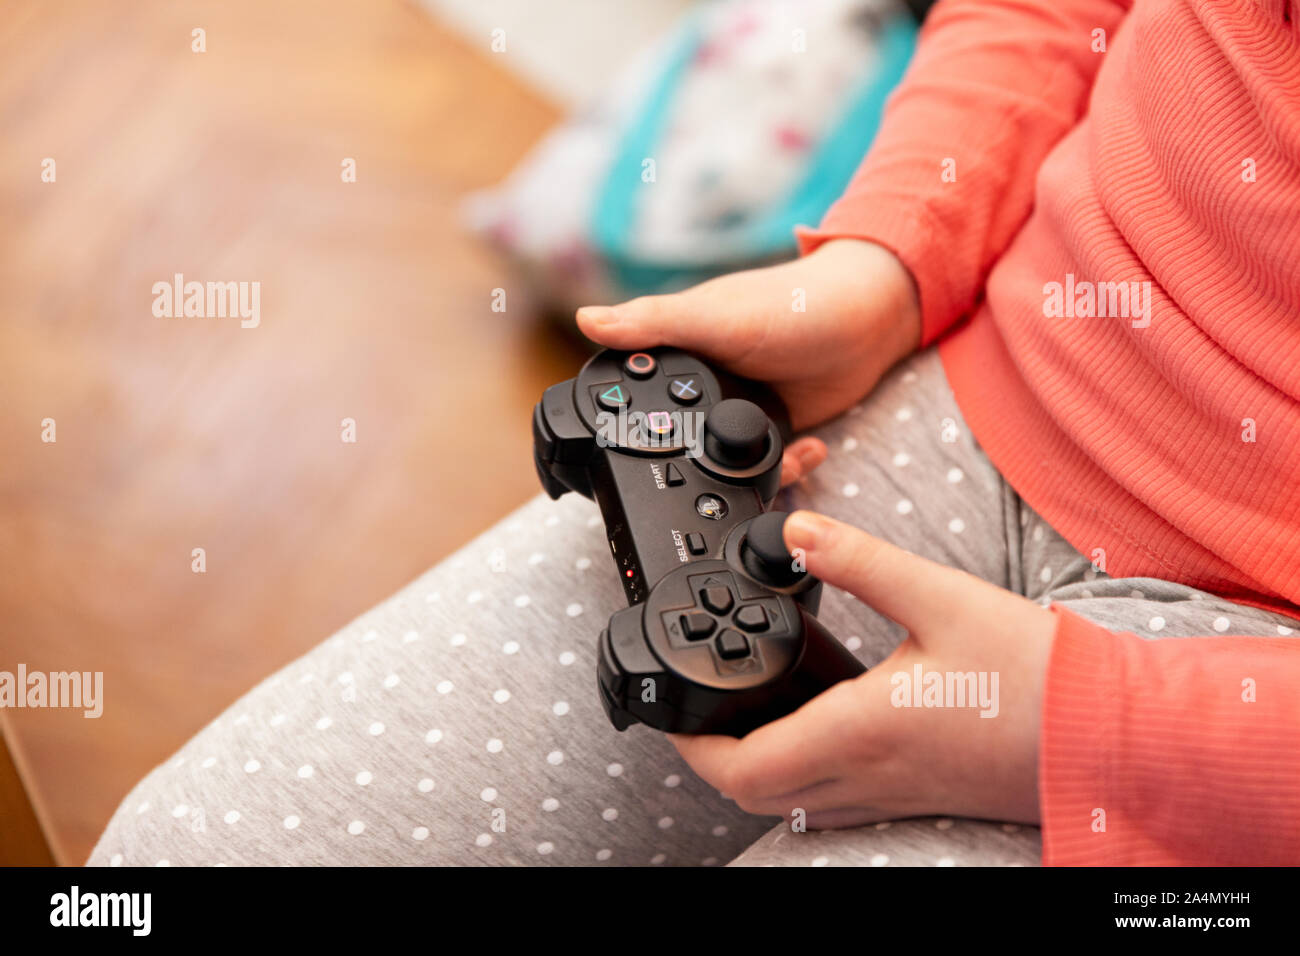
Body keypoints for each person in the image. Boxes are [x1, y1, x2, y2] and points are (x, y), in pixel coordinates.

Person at [91, 0, 1300, 867]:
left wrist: (1113, 732)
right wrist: (887, 267)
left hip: (1254, 674)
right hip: (983, 385)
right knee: (185, 851)